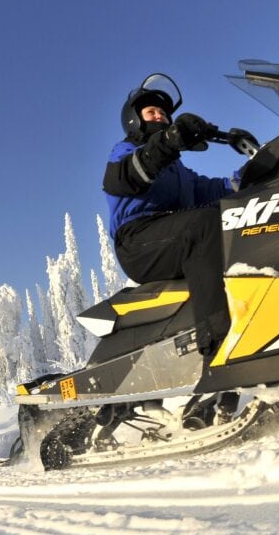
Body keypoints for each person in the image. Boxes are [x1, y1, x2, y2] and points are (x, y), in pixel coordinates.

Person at [102, 73, 255, 357]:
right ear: (135, 120)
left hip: (172, 235)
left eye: (163, 113)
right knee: (203, 224)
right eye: (151, 112)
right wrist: (167, 143)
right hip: (138, 241)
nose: (160, 116)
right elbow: (124, 177)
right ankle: (217, 344)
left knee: (236, 219)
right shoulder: (126, 151)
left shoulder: (178, 172)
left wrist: (249, 175)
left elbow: (210, 189)